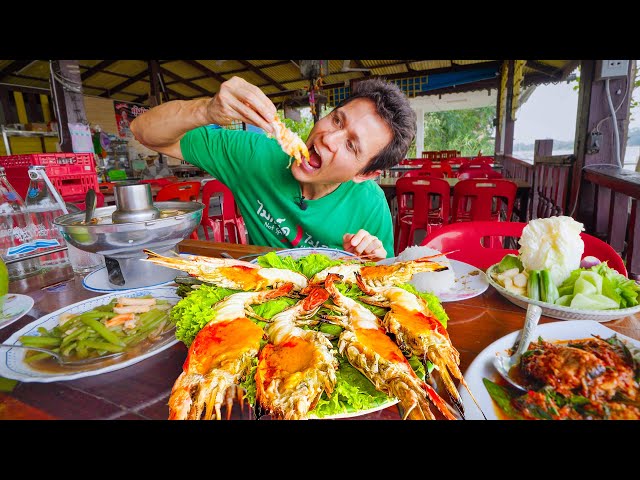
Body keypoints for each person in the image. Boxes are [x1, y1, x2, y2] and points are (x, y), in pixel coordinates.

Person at [131, 76, 416, 260]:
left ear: (364, 174)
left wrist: (372, 264)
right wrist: (205, 111)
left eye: (352, 145)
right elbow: (143, 131)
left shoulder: (371, 205)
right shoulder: (253, 154)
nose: (329, 138)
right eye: (337, 121)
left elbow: (383, 285)